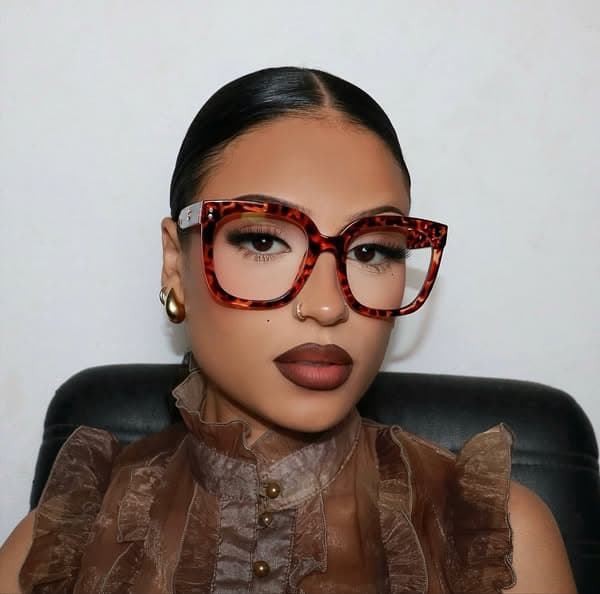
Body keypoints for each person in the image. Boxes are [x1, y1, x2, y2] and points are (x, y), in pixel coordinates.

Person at [0, 66, 576, 593]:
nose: (326, 306)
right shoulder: (61, 547)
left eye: (371, 249)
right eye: (263, 240)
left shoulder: (501, 544)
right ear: (175, 263)